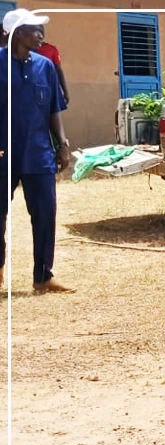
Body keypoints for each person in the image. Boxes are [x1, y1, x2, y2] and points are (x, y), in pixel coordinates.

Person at [0, 9, 73, 293]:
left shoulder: (46, 66)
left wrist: (63, 145)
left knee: (45, 214)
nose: (41, 35)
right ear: (18, 33)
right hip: (4, 154)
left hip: (39, 153)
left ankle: (43, 276)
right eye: (34, 29)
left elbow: (54, 109)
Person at [32, 25, 67, 105]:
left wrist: (65, 91)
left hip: (46, 87)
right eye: (36, 32)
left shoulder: (51, 49)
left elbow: (59, 70)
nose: (40, 35)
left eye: (41, 33)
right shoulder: (26, 51)